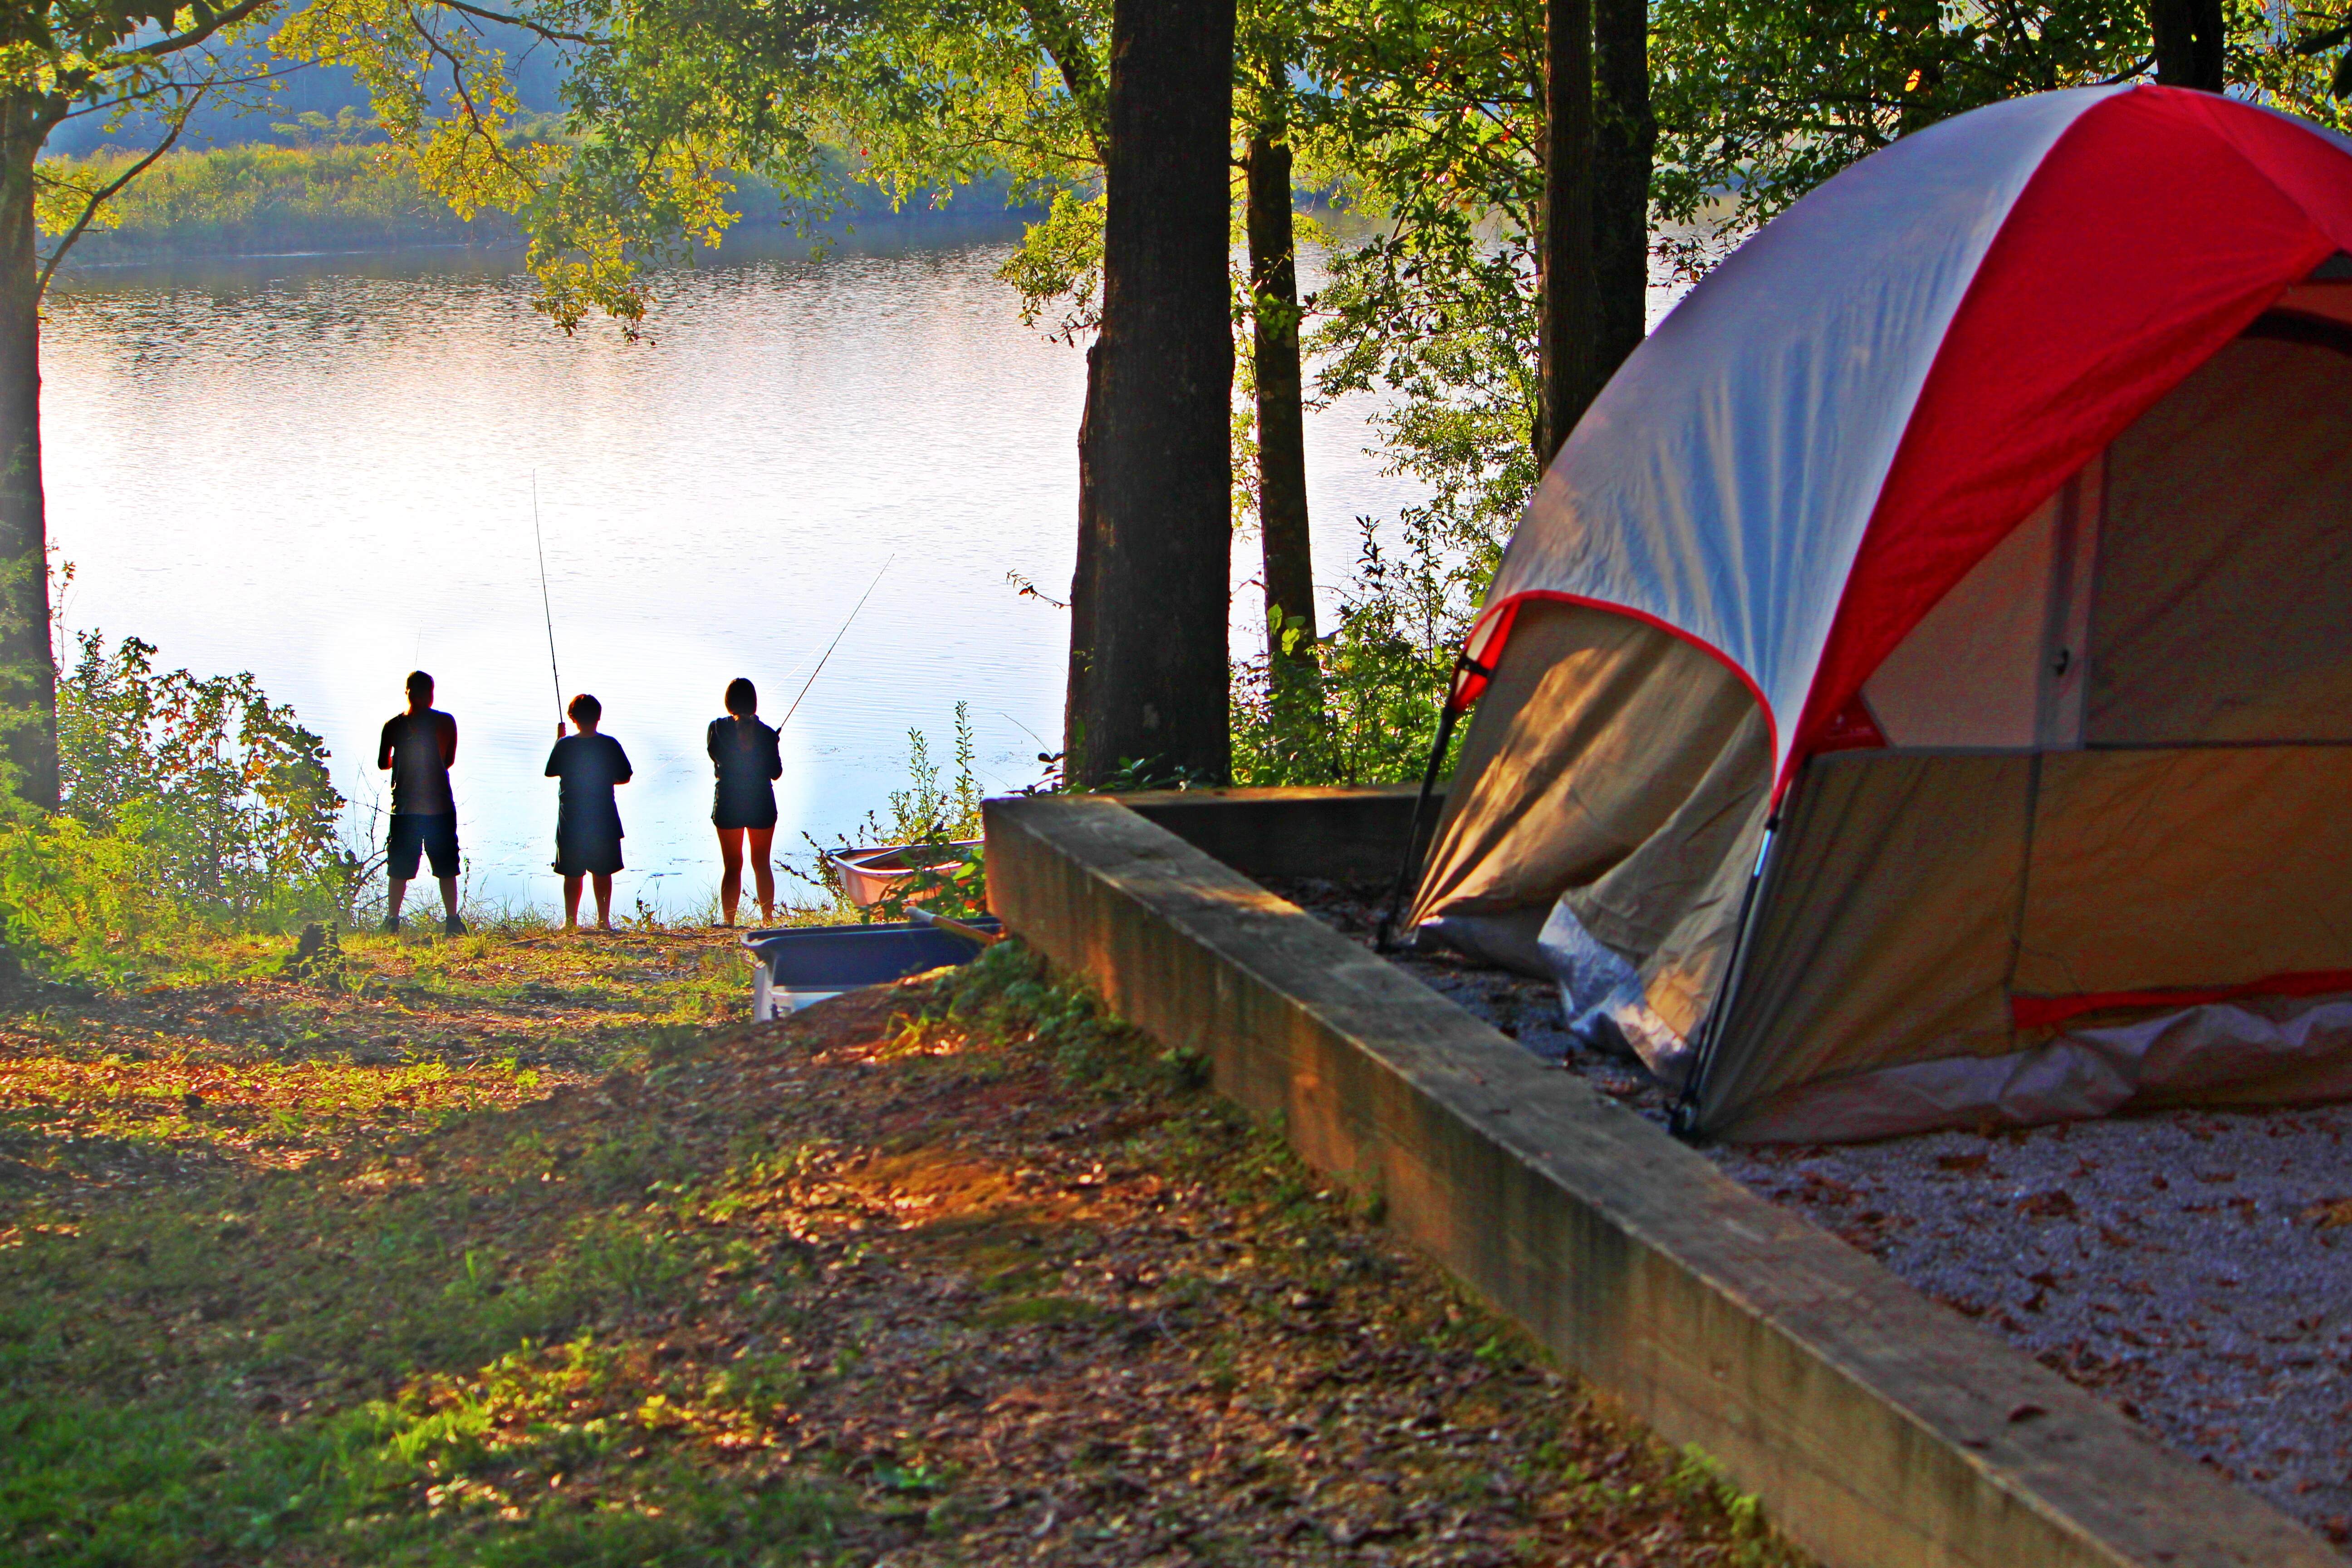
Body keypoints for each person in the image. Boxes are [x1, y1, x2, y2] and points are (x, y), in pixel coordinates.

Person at [376, 670, 465, 936]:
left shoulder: (392, 726)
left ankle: (393, 921)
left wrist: (399, 761)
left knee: (400, 866)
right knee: (447, 864)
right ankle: (452, 921)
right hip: (439, 805)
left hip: (404, 808)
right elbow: (448, 761)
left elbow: (383, 763)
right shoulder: (446, 722)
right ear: (431, 694)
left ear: (407, 692)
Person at [545, 693, 632, 931]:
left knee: (572, 874)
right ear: (599, 717)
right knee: (603, 871)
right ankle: (603, 922)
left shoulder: (565, 745)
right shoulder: (609, 744)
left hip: (571, 818)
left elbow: (551, 772)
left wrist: (559, 740)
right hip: (603, 815)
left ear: (572, 718)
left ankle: (570, 923)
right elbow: (625, 776)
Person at [707, 676, 783, 926]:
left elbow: (714, 755)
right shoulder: (767, 734)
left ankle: (729, 923)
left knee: (732, 866)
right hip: (761, 802)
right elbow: (776, 773)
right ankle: (767, 921)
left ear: (728, 703)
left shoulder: (716, 729)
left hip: (728, 802)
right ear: (755, 703)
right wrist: (773, 742)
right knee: (761, 863)